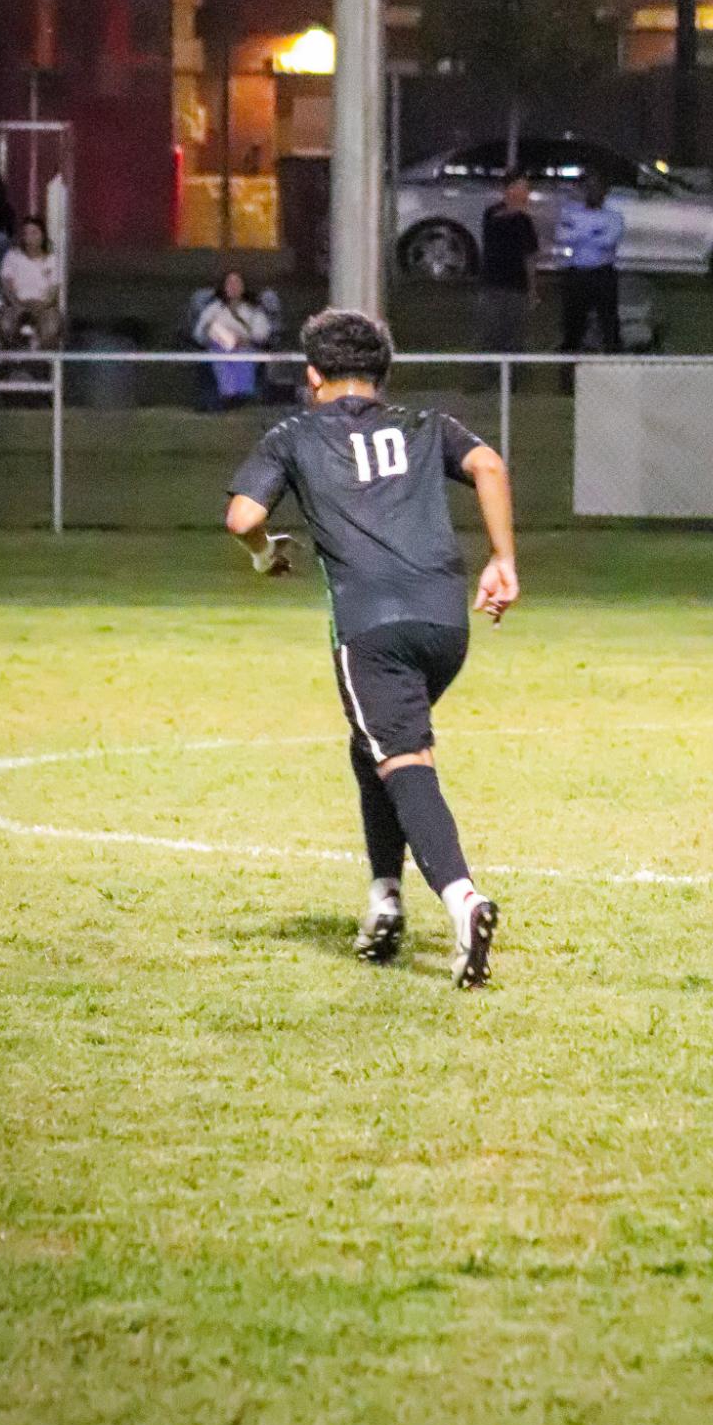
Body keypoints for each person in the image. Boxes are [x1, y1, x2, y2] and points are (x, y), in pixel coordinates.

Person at [225, 307, 517, 989]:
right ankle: (384, 900)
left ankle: (463, 900)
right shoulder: (425, 425)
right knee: (374, 748)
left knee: (404, 759)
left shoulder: (296, 432)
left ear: (312, 375)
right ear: (382, 375)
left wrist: (264, 556)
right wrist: (503, 559)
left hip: (371, 628)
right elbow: (490, 464)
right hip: (447, 625)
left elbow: (244, 516)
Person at [554, 169, 623, 379]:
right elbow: (562, 236)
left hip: (602, 274)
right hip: (577, 275)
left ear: (605, 191)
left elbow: (609, 241)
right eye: (589, 187)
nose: (593, 192)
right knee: (572, 327)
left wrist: (579, 234)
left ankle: (616, 375)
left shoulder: (613, 217)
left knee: (609, 325)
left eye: (598, 188)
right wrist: (592, 232)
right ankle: (567, 378)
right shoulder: (571, 212)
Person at [478, 172, 539, 357]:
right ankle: (490, 374)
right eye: (523, 187)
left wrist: (532, 289)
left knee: (514, 335)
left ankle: (512, 377)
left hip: (516, 286)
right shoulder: (494, 214)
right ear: (510, 189)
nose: (527, 193)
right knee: (492, 333)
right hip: (493, 283)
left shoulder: (524, 221)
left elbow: (529, 257)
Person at [195, 271, 272, 408]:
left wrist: (241, 339)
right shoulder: (214, 309)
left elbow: (262, 334)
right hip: (218, 351)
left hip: (246, 350)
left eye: (237, 283)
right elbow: (199, 333)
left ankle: (241, 397)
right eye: (229, 283)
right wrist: (217, 335)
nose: (233, 286)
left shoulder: (253, 310)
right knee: (220, 357)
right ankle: (226, 397)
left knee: (244, 357)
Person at [0, 217, 62, 350]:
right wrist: (16, 304)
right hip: (16, 303)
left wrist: (42, 306)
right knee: (5, 325)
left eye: (34, 233)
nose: (29, 237)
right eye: (26, 233)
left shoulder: (52, 259)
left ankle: (42, 364)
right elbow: (6, 285)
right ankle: (14, 360)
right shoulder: (12, 256)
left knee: (51, 328)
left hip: (43, 305)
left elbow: (54, 290)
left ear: (42, 236)